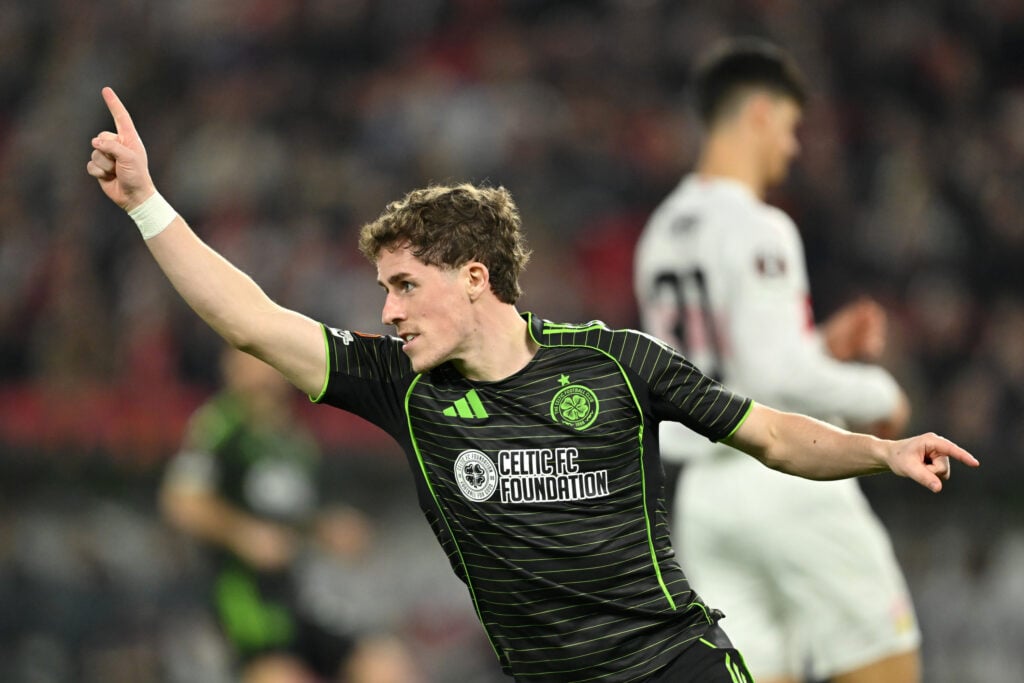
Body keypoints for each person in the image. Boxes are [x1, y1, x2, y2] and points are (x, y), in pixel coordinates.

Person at [87, 85, 977, 683]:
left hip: (676, 664)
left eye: (404, 285)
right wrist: (146, 206)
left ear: (473, 276)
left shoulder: (615, 362)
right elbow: (249, 319)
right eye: (383, 290)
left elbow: (774, 434)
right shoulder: (398, 384)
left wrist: (880, 448)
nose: (387, 311)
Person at [634, 38, 922, 683]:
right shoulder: (759, 227)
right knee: (885, 662)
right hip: (786, 471)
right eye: (792, 127)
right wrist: (880, 392)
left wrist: (819, 348)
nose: (793, 148)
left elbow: (713, 371)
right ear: (760, 112)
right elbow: (771, 379)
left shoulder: (659, 233)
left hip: (705, 499)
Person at [161, 346, 421, 683]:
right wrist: (241, 533)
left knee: (385, 665)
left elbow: (294, 520)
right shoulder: (219, 425)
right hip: (249, 597)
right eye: (248, 358)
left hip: (305, 594)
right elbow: (180, 502)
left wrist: (329, 530)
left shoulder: (295, 440)